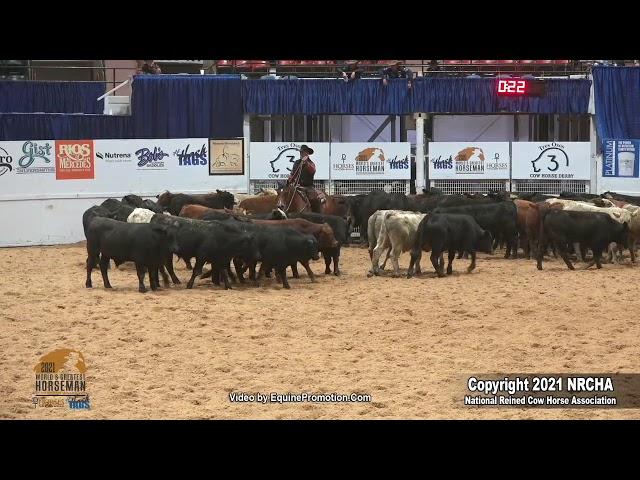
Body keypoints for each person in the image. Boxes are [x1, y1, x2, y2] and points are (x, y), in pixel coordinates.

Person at [287, 145, 320, 210]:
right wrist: (290, 179)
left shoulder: (311, 163)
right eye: (301, 152)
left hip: (308, 187)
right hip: (297, 186)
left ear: (307, 153)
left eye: (303, 152)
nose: (301, 154)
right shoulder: (297, 163)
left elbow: (312, 171)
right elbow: (293, 173)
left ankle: (316, 213)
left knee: (315, 199)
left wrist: (306, 163)